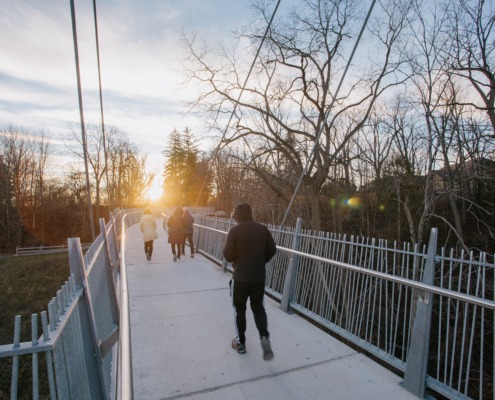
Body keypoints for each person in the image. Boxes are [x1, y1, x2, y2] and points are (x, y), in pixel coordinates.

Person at [223, 202, 277, 361]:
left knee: (239, 310)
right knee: (258, 307)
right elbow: (272, 250)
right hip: (258, 278)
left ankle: (240, 343)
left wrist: (236, 259)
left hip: (240, 278)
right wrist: (261, 261)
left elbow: (227, 255)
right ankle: (264, 336)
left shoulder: (234, 231)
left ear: (237, 216)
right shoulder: (262, 229)